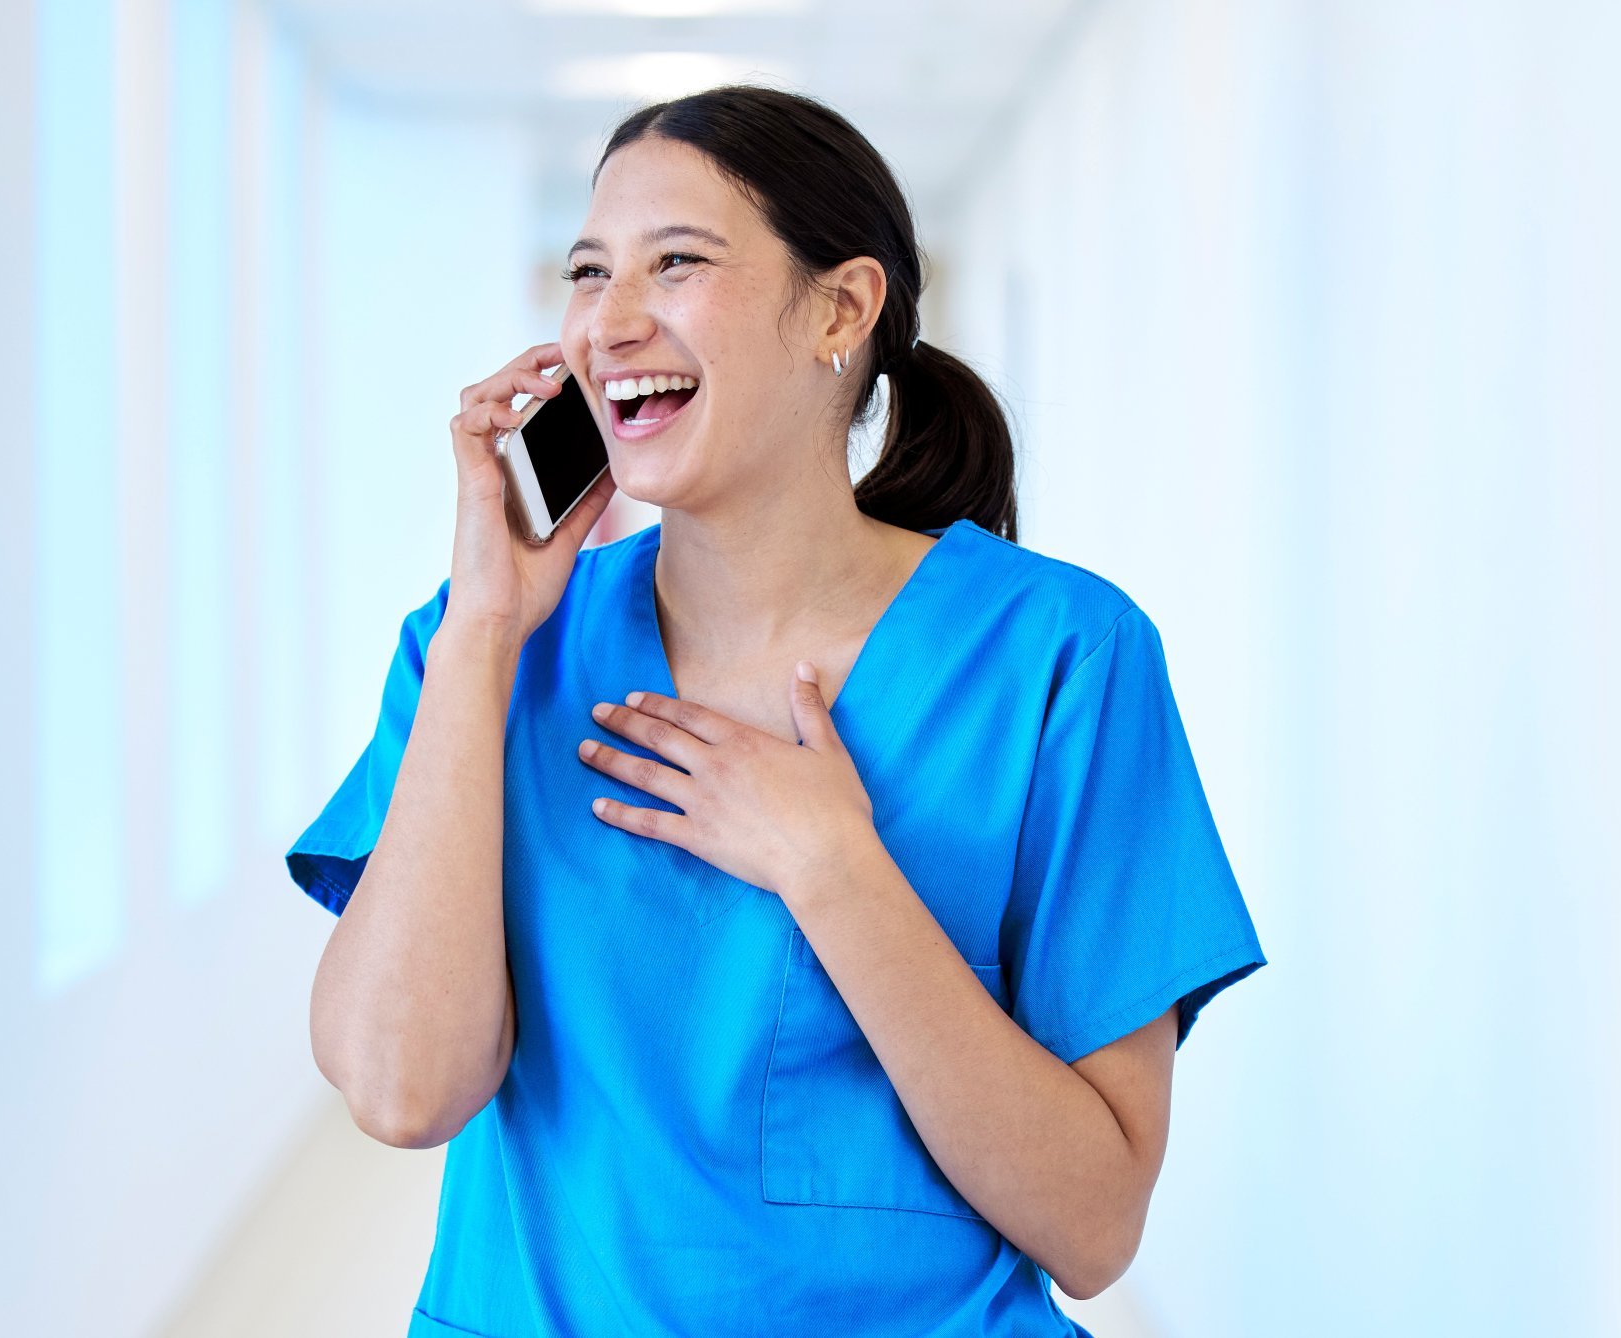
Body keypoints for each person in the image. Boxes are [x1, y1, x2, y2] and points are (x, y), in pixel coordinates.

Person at [286, 83, 1266, 1338]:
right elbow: (398, 1089)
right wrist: (484, 627)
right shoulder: (484, 646)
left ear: (842, 310)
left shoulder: (1058, 658)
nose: (609, 322)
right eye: (588, 272)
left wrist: (832, 868)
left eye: (677, 263)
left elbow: (1093, 1228)